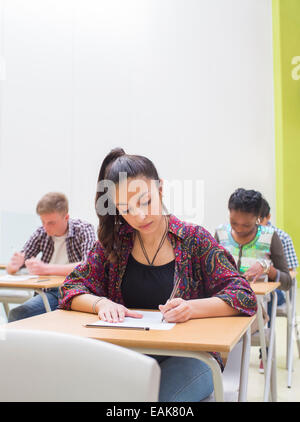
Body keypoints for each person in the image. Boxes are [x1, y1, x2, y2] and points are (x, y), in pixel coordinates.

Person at [58, 148, 257, 402]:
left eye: (146, 201)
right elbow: (71, 287)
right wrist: (101, 303)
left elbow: (244, 295)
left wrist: (192, 308)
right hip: (130, 352)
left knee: (158, 401)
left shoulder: (194, 239)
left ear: (160, 189)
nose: (139, 216)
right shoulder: (116, 242)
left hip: (193, 356)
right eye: (126, 209)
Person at [215, 188, 292, 372]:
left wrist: (267, 267)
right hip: (220, 305)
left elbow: (288, 281)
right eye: (234, 223)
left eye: (246, 225)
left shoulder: (269, 236)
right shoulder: (220, 234)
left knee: (227, 333)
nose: (239, 229)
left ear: (258, 218)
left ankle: (225, 383)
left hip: (254, 310)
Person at [7, 192, 96, 322]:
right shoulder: (41, 232)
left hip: (76, 291)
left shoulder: (84, 229)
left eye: (51, 223)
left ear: (66, 217)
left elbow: (88, 266)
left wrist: (46, 269)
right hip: (48, 292)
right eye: (43, 221)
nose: (46, 227)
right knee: (18, 314)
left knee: (18, 315)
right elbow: (12, 267)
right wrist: (14, 266)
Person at [260, 198, 298, 279]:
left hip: (274, 285)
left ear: (268, 217)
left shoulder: (283, 237)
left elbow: (289, 271)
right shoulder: (240, 235)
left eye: (259, 220)